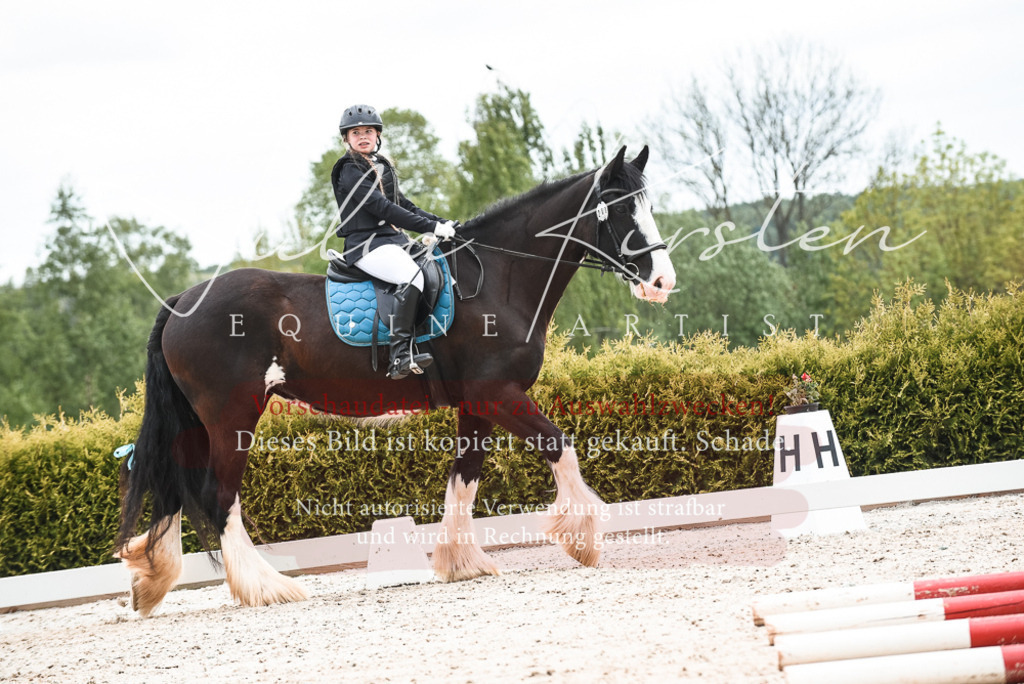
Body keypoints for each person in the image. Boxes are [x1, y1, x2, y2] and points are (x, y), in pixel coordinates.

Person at [331, 104, 458, 380]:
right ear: (346, 138)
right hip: (365, 245)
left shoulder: (380, 166)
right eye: (355, 132)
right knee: (411, 276)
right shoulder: (349, 170)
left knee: (433, 265)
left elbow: (403, 204)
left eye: (368, 131)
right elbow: (383, 209)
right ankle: (399, 354)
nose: (362, 136)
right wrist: (431, 227)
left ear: (377, 135)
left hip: (392, 241)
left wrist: (442, 222)